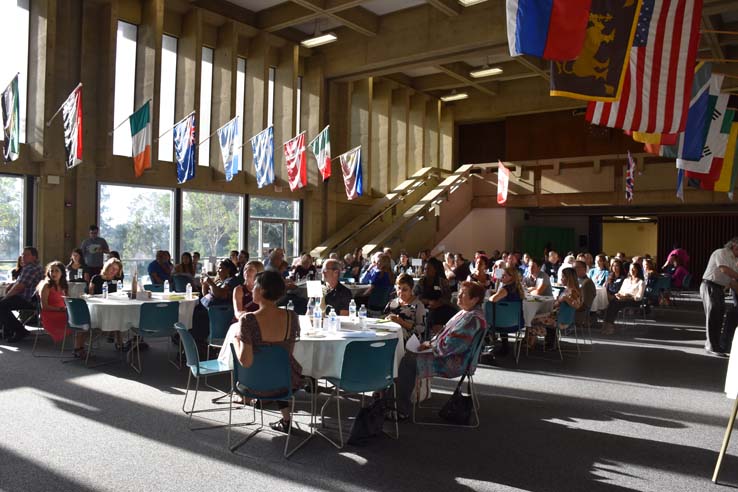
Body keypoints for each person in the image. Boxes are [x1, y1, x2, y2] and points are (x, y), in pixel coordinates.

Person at [395, 281, 486, 419]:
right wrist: (429, 343)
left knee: (408, 361)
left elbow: (453, 345)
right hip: (451, 355)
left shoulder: (472, 319)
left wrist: (431, 346)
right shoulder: (467, 313)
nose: (458, 296)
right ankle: (393, 402)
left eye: (463, 294)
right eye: (459, 292)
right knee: (409, 355)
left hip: (453, 361)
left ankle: (400, 409)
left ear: (475, 299)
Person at [233, 271, 303, 433]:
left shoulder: (248, 320)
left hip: (254, 384)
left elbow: (246, 362)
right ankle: (286, 419)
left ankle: (283, 418)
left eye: (255, 286)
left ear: (263, 290)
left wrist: (237, 341)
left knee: (264, 367)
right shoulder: (292, 316)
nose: (251, 290)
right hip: (285, 382)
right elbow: (286, 355)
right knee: (276, 368)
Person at [36, 261, 85, 356]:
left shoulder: (64, 285)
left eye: (56, 271)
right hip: (50, 313)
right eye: (51, 271)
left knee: (81, 318)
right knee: (77, 320)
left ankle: (79, 347)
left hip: (62, 310)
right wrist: (60, 309)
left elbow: (67, 300)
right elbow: (44, 306)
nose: (53, 273)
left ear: (62, 273)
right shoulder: (46, 286)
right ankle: (78, 348)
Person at [527, 267, 582, 349]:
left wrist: (564, 299)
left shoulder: (572, 291)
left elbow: (576, 306)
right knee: (536, 317)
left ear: (569, 278)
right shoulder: (567, 290)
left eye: (563, 277)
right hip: (560, 317)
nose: (561, 278)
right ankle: (548, 341)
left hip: (559, 320)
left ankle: (531, 343)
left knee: (531, 319)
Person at [700, 238, 738, 356]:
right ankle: (712, 346)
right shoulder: (721, 252)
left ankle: (715, 345)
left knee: (718, 317)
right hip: (710, 285)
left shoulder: (734, 260)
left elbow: (731, 281)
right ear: (735, 246)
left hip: (718, 288)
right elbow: (724, 269)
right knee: (713, 316)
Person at [0, 247, 44, 342]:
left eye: (26, 254)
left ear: (34, 257)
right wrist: (12, 285)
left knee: (2, 304)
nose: (23, 256)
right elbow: (19, 283)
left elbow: (20, 287)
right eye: (23, 254)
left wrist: (6, 297)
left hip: (29, 300)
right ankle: (8, 331)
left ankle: (20, 331)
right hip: (27, 298)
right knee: (2, 302)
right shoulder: (33, 267)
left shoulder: (31, 268)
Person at [489, 266, 526, 355]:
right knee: (503, 315)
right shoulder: (518, 288)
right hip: (516, 323)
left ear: (511, 277)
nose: (502, 277)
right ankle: (503, 345)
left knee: (490, 317)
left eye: (504, 276)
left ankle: (488, 343)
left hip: (501, 324)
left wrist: (491, 296)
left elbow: (493, 299)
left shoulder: (505, 289)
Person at [601, 263, 646, 335]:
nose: (632, 270)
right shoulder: (626, 280)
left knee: (615, 304)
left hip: (633, 300)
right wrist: (618, 295)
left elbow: (639, 297)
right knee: (612, 302)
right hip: (623, 298)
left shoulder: (641, 282)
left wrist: (627, 296)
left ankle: (609, 326)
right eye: (630, 268)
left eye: (634, 268)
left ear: (638, 270)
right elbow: (621, 291)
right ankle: (607, 324)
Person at [384, 274, 426, 341]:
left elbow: (421, 328)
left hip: (409, 340)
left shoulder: (418, 305)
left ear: (411, 289)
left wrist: (401, 322)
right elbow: (382, 318)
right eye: (399, 288)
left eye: (405, 289)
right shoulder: (392, 302)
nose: (401, 292)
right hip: (390, 334)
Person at [574, 260, 596, 328]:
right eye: (573, 268)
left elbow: (586, 304)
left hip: (578, 313)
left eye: (576, 267)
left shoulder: (587, 283)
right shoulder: (576, 280)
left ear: (584, 269)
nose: (574, 270)